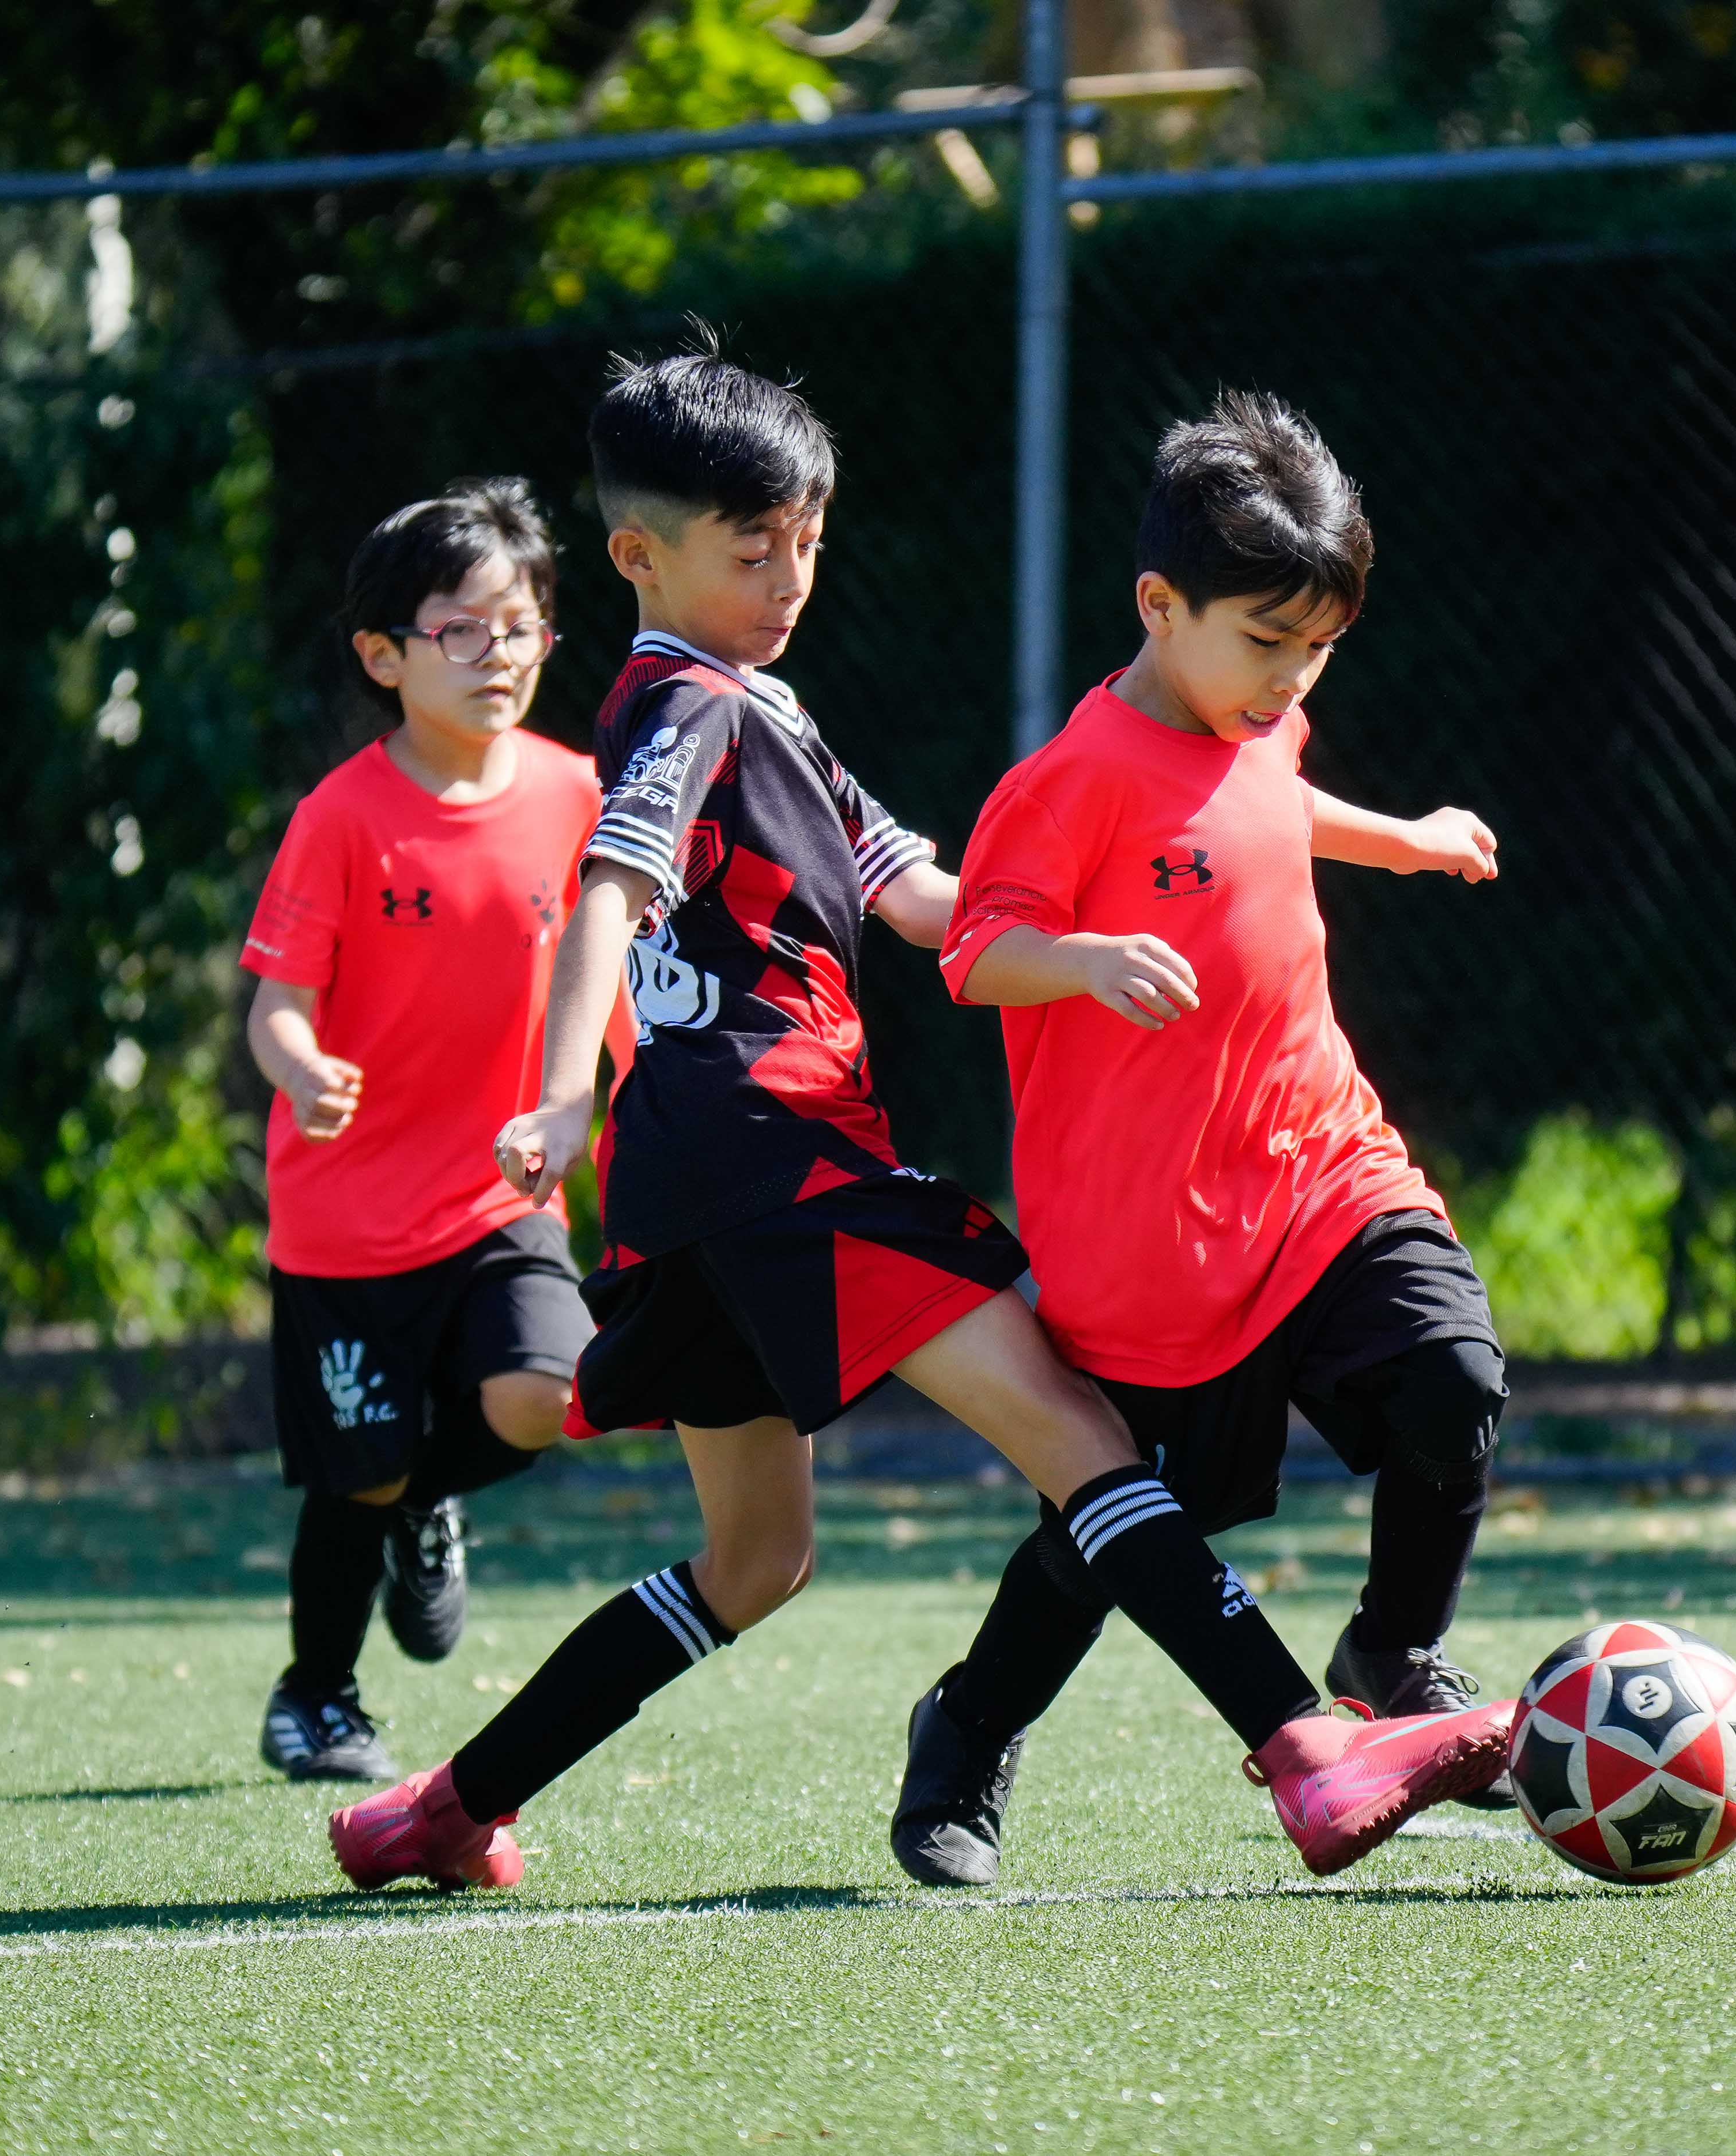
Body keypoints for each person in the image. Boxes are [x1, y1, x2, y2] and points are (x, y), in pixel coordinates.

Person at [326, 350, 1511, 1893]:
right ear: (640, 557)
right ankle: (1307, 1746)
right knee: (1085, 1436)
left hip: (702, 1185)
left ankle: (444, 1805)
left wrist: (1079, 913)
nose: (789, 574)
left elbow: (928, 899)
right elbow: (611, 881)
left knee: (755, 1560)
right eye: (751, 550)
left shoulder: (769, 710)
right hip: (780, 1152)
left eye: (806, 539)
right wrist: (561, 1086)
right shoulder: (678, 705)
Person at [889, 391, 1514, 1888]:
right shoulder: (1068, 780)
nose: (1291, 675)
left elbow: (1268, 804)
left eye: (1316, 648)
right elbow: (975, 947)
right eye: (1263, 641)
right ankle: (965, 1729)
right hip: (1150, 1244)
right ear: (1157, 607)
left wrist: (1404, 835)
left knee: (1454, 1377)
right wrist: (1086, 958)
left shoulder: (1260, 706)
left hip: (1318, 1163)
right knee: (1110, 1529)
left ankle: (1393, 1650)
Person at [241, 481, 605, 1782]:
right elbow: (275, 1008)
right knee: (361, 1476)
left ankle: (427, 1495)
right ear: (385, 655)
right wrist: (303, 1068)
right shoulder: (340, 818)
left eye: (522, 626)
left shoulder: (579, 794)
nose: (498, 654)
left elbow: (605, 979)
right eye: (461, 631)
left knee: (548, 1394)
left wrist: (631, 1110)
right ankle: (318, 1695)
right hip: (343, 1224)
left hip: (498, 1197)